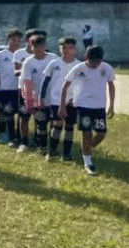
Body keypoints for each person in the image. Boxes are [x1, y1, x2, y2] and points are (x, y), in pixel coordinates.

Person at [59, 46, 115, 176]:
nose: (94, 65)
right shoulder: (79, 68)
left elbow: (111, 85)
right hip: (83, 105)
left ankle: (86, 149)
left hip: (99, 106)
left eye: (97, 62)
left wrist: (111, 105)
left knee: (101, 134)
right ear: (86, 58)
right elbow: (65, 85)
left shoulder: (106, 68)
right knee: (87, 133)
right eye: (91, 61)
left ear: (101, 59)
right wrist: (62, 105)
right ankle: (88, 163)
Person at [41, 38, 81, 162]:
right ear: (60, 49)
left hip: (72, 101)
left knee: (69, 126)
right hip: (56, 100)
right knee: (57, 124)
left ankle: (67, 154)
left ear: (74, 49)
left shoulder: (79, 65)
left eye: (69, 48)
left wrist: (77, 98)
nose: (66, 51)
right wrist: (41, 97)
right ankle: (52, 152)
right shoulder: (54, 63)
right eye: (63, 48)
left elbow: (82, 84)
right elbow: (45, 81)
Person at [18, 34, 56, 153]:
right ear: (31, 46)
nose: (38, 49)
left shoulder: (53, 59)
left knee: (44, 120)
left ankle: (43, 143)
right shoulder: (28, 62)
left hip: (48, 95)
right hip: (30, 94)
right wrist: (29, 100)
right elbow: (26, 81)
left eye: (41, 46)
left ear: (45, 46)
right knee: (24, 117)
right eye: (35, 46)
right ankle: (24, 142)